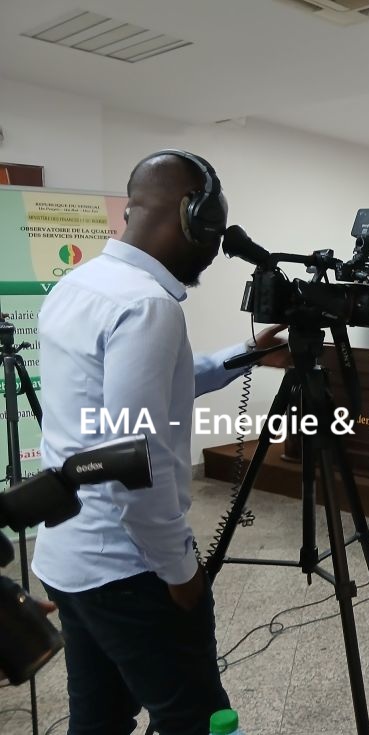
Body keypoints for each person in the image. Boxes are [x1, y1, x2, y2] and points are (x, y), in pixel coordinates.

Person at [31, 149, 289, 734]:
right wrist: (180, 571)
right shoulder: (148, 305)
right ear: (191, 218)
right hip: (129, 567)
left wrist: (246, 354)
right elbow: (133, 463)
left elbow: (156, 386)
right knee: (196, 719)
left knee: (98, 718)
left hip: (68, 557)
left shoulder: (80, 285)